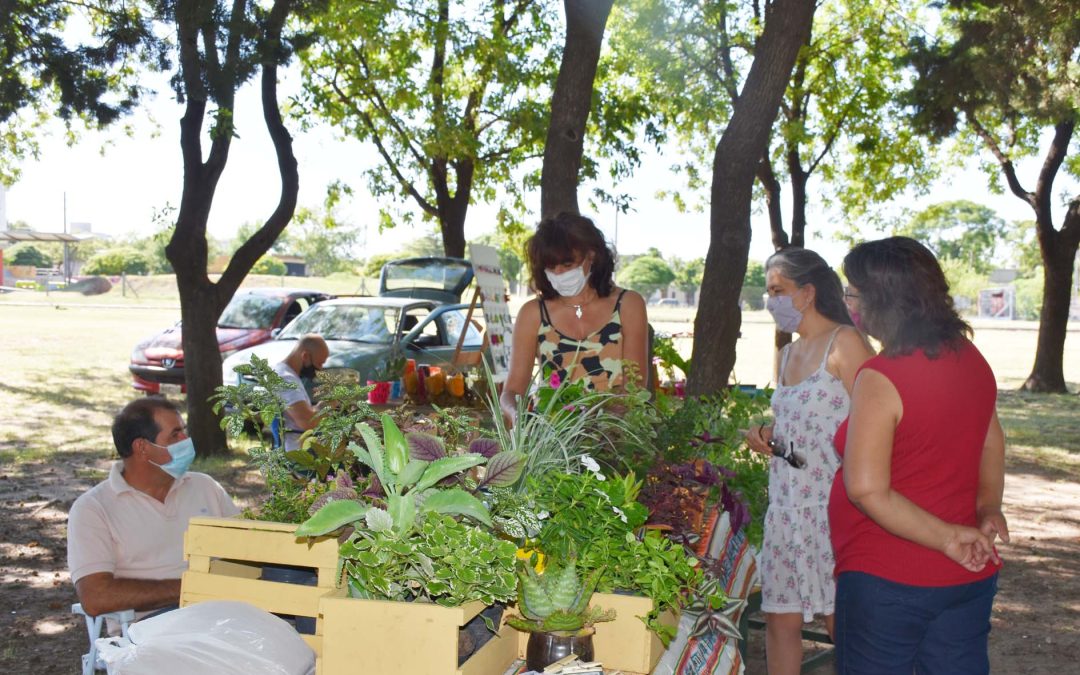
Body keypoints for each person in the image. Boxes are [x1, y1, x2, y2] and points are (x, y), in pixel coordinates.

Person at [829, 236, 1007, 674]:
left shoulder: (881, 376)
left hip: (888, 578)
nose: (849, 304)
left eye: (853, 293)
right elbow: (991, 441)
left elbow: (867, 489)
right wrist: (988, 507)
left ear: (883, 301)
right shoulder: (971, 358)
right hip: (966, 574)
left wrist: (948, 538)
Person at [744, 247, 874, 675]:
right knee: (780, 622)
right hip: (785, 510)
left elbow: (878, 419)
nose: (770, 301)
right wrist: (768, 435)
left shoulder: (846, 343)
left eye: (777, 290)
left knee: (844, 627)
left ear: (808, 292)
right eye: (769, 292)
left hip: (832, 510)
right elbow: (802, 425)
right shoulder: (788, 354)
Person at [67, 397, 239, 619]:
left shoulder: (205, 487)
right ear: (142, 447)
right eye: (175, 435)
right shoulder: (93, 509)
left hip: (224, 612)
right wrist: (195, 588)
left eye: (184, 431)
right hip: (153, 626)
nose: (186, 440)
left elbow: (248, 550)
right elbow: (96, 597)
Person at [499, 212, 648, 424]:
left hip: (615, 435)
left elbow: (635, 385)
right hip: (551, 436)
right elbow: (512, 391)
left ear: (592, 255)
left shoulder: (628, 305)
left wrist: (599, 426)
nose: (559, 273)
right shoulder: (533, 314)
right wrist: (517, 416)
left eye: (567, 265)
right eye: (551, 267)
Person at [274, 334, 329, 451]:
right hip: (299, 453)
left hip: (303, 445)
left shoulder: (284, 373)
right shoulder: (285, 379)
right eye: (319, 363)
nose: (320, 369)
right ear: (305, 356)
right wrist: (329, 403)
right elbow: (307, 422)